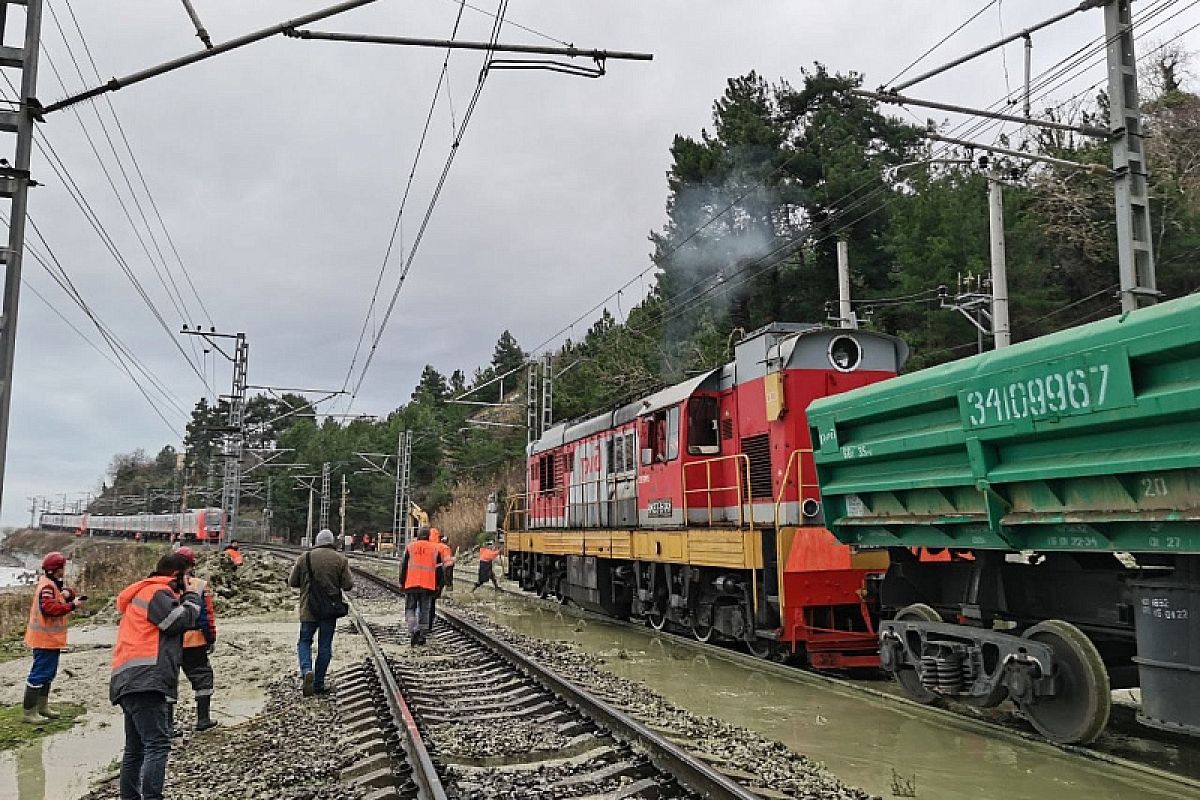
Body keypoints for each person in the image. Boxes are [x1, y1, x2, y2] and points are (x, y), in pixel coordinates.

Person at [110, 553, 202, 800]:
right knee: (157, 744)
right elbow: (177, 621)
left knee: (135, 748)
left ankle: (130, 797)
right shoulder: (156, 593)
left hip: (126, 678)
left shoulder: (143, 593)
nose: (189, 579)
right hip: (146, 678)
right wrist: (193, 595)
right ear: (176, 575)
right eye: (187, 575)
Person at [288, 529, 352, 696]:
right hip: (329, 610)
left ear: (317, 541)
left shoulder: (305, 558)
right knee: (325, 646)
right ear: (331, 542)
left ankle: (306, 669)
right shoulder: (340, 559)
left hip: (308, 608)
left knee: (304, 641)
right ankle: (318, 683)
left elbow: (292, 582)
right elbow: (348, 585)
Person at [22, 551, 84, 724]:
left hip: (50, 639)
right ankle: (29, 712)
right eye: (62, 567)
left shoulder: (51, 584)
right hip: (44, 639)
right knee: (39, 674)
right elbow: (49, 609)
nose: (64, 570)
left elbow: (58, 597)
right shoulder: (48, 587)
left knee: (48, 674)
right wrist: (73, 605)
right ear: (57, 569)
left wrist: (66, 594)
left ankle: (42, 707)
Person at [174, 546, 219, 734]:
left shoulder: (161, 586)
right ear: (192, 565)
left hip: (169, 642)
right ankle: (203, 719)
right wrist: (211, 638)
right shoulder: (199, 585)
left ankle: (167, 726)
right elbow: (206, 616)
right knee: (202, 678)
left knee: (169, 682)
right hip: (194, 642)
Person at [398, 526, 443, 646]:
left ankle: (414, 629)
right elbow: (439, 570)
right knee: (425, 610)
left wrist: (402, 582)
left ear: (418, 535)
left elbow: (404, 566)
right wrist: (439, 585)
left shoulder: (410, 547)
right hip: (428, 585)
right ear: (428, 536)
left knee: (410, 609)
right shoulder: (435, 549)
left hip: (411, 583)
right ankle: (422, 635)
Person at [426, 528, 455, 635]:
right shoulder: (443, 547)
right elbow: (447, 565)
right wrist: (445, 584)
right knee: (431, 602)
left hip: (422, 580)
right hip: (437, 577)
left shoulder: (424, 546)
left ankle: (420, 626)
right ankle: (428, 625)